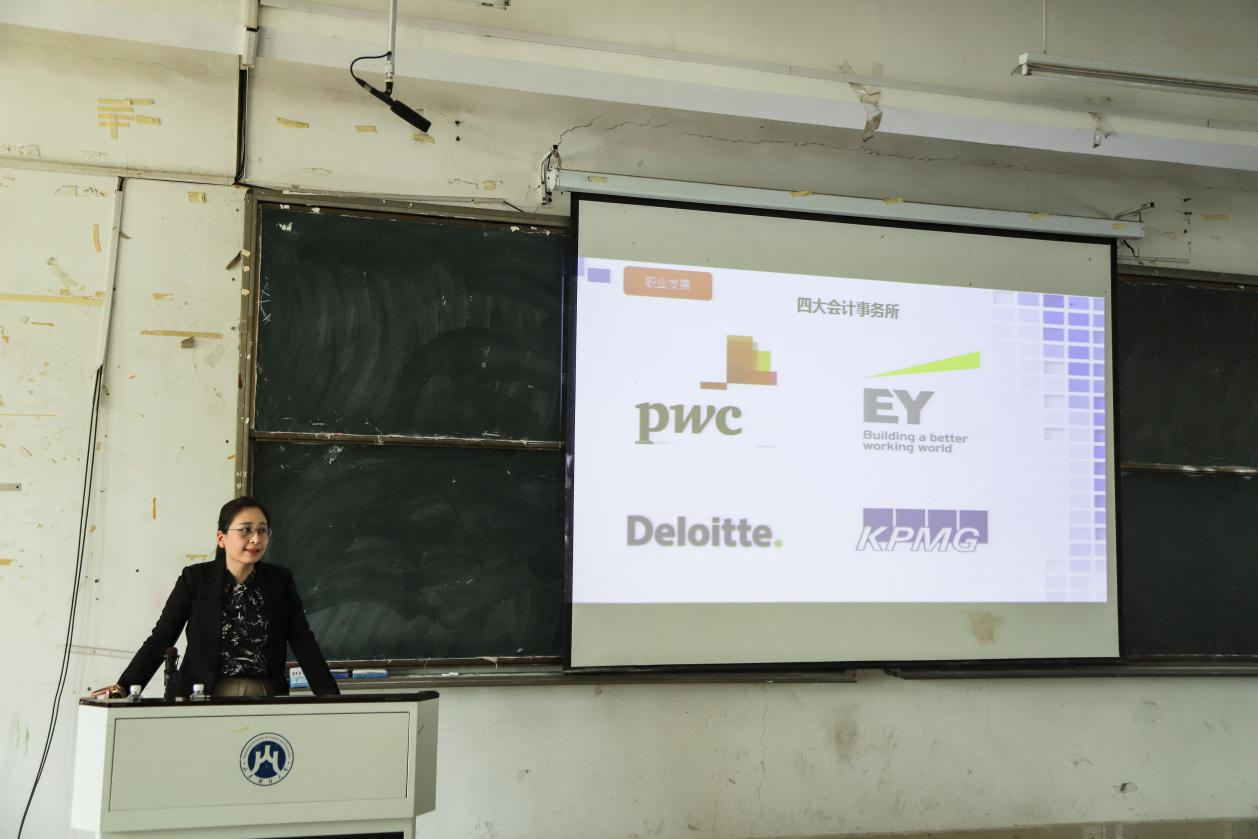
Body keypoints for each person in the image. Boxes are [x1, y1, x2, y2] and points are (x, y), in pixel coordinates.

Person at [94, 496, 339, 698]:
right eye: (246, 530)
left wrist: (332, 699)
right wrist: (123, 687)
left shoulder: (279, 580)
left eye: (262, 530)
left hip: (264, 694)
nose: (255, 539)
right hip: (203, 695)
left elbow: (303, 643)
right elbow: (162, 638)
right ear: (221, 538)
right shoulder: (195, 579)